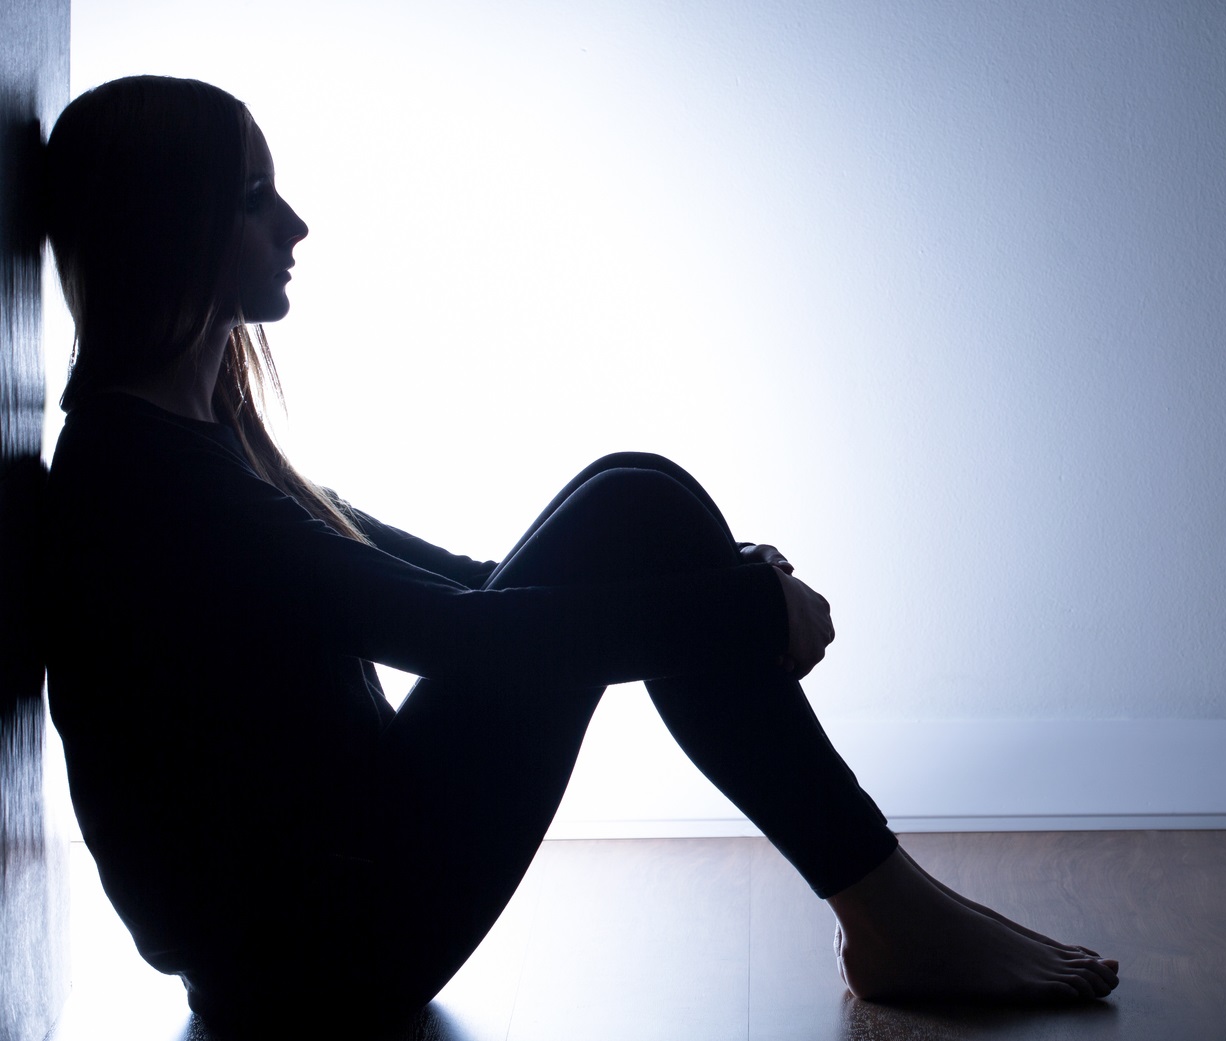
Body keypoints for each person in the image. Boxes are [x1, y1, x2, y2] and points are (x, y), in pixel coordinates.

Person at [39, 74, 1118, 1039]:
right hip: (317, 962)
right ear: (168, 227)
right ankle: (890, 909)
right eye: (252, 198)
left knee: (629, 499)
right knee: (634, 508)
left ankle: (888, 909)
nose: (296, 223)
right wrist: (735, 610)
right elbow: (448, 634)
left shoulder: (187, 436)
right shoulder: (148, 483)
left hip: (320, 920)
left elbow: (446, 583)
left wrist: (720, 585)